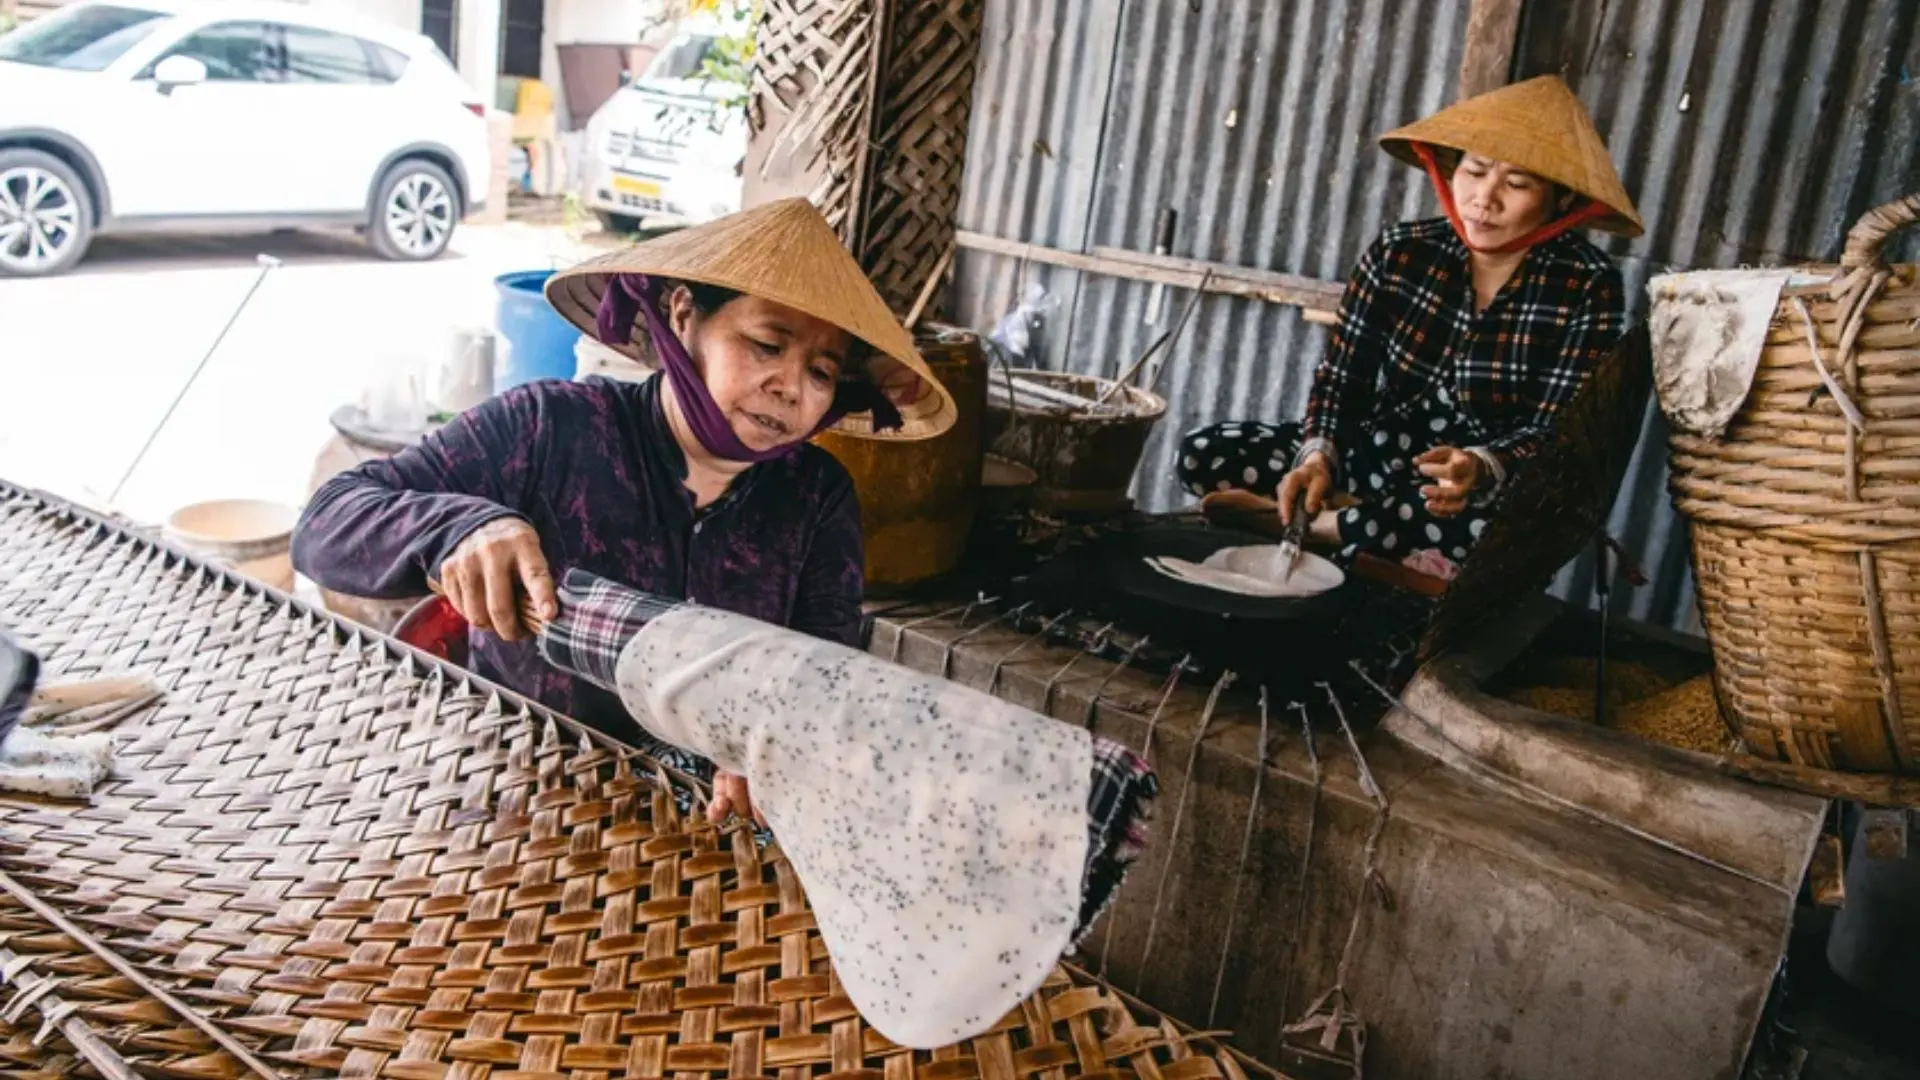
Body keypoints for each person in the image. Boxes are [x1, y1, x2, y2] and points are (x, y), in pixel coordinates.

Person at [293, 198, 956, 823]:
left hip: (702, 824)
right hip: (518, 785)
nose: (789, 387)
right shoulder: (549, 427)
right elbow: (327, 523)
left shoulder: (816, 495)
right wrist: (458, 529)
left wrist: (772, 746)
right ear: (683, 315)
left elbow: (824, 673)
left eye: (821, 372)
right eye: (766, 344)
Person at [1177, 75, 1642, 571]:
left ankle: (1316, 526)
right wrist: (1317, 459)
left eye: (1517, 184)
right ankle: (1351, 519)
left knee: (1494, 537)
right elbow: (1342, 380)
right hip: (1374, 454)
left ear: (1563, 201)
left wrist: (1481, 466)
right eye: (1475, 170)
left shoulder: (1588, 285)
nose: (1484, 198)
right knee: (1205, 452)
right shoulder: (1401, 252)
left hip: (1469, 489)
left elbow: (1555, 431)